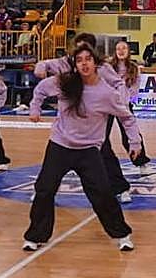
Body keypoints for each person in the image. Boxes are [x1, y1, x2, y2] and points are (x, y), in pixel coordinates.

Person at [24, 45, 140, 252]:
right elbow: (41, 89)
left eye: (88, 59)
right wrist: (35, 108)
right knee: (44, 189)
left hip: (88, 151)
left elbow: (126, 117)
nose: (84, 63)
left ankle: (122, 234)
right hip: (60, 145)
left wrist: (135, 142)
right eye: (79, 60)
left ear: (96, 63)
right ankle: (36, 236)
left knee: (102, 193)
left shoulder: (106, 93)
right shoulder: (65, 82)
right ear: (75, 65)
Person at [35, 32, 136, 203]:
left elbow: (118, 84)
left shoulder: (102, 67)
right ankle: (44, 191)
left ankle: (120, 188)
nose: (81, 57)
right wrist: (41, 68)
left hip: (96, 116)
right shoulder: (65, 63)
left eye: (85, 49)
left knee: (104, 150)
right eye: (77, 47)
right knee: (55, 160)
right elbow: (43, 66)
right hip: (70, 122)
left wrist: (121, 101)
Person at [108, 39, 150, 168]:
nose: (121, 51)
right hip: (108, 105)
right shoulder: (108, 67)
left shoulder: (134, 67)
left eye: (123, 48)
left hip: (124, 106)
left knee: (131, 134)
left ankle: (141, 161)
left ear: (128, 51)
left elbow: (135, 87)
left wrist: (126, 98)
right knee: (101, 135)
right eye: (118, 49)